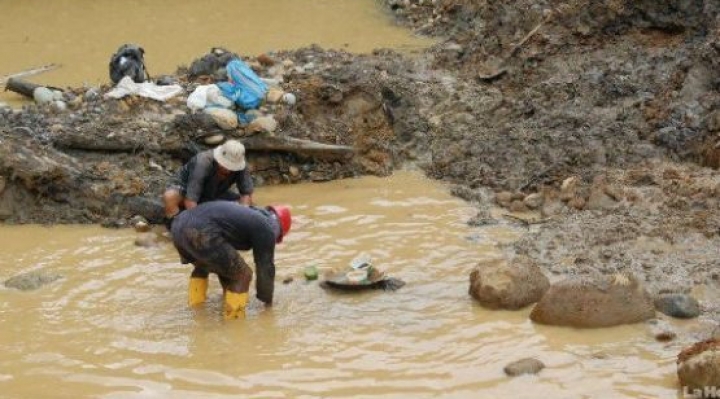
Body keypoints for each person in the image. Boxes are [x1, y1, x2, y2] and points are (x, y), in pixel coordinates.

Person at [169, 201, 292, 320]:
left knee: (205, 266)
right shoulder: (267, 228)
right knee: (243, 275)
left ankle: (196, 310)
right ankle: (234, 324)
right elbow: (266, 268)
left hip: (177, 227)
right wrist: (267, 303)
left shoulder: (245, 213)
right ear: (279, 228)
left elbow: (223, 262)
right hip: (200, 231)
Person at [163, 140, 253, 221]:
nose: (228, 170)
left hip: (213, 192)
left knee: (249, 206)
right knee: (170, 197)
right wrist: (200, 222)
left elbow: (246, 194)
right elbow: (190, 199)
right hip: (186, 190)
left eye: (232, 167)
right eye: (226, 166)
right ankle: (174, 222)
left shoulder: (241, 164)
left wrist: (243, 215)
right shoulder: (203, 162)